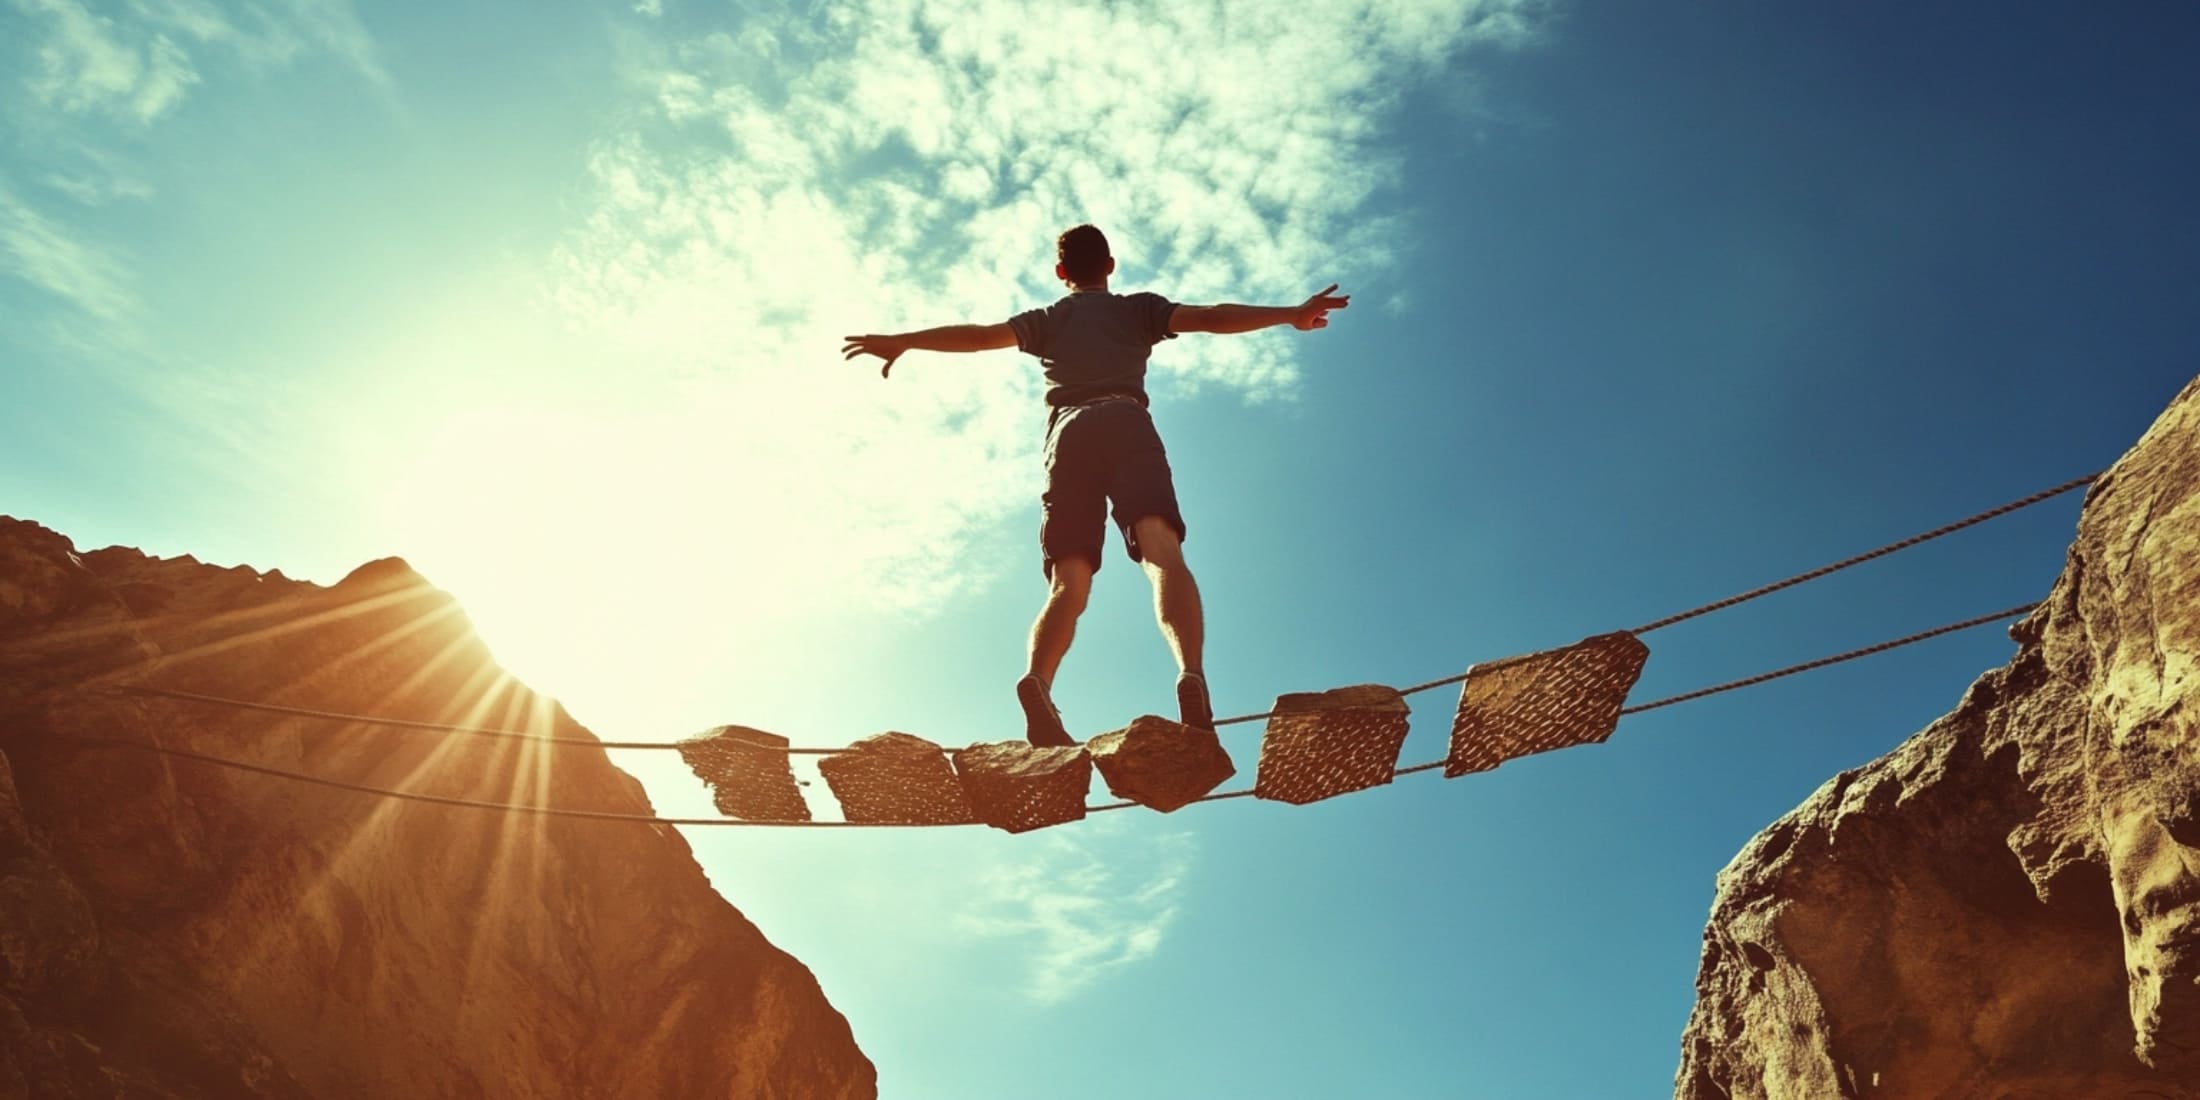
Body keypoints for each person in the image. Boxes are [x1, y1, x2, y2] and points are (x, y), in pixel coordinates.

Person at [841, 224, 1348, 746]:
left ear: (1061, 272)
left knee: (1069, 581)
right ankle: (1190, 674)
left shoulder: (1046, 320)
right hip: (1125, 420)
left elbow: (978, 337)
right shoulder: (1137, 310)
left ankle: (1039, 681)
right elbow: (1212, 316)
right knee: (1162, 554)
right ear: (1110, 266)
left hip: (1068, 435)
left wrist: (905, 341)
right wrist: (1291, 313)